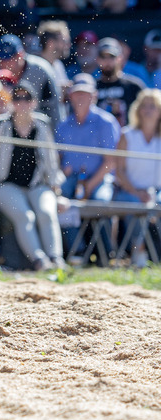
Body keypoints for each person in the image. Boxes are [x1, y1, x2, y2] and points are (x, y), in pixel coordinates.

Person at [0, 81, 66, 271]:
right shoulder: (1, 125)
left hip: (37, 185)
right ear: (11, 102)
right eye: (17, 98)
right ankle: (40, 261)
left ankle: (57, 260)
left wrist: (57, 192)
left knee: (47, 212)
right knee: (25, 216)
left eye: (26, 98)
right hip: (6, 185)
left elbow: (51, 161)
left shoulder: (42, 125)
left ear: (34, 102)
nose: (22, 102)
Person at [54, 74, 119, 252]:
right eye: (77, 94)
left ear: (94, 96)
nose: (81, 98)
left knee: (101, 201)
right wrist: (61, 173)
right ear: (71, 96)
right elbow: (58, 159)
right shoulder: (63, 125)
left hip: (99, 178)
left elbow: (111, 162)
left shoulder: (106, 122)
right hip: (72, 178)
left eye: (85, 94)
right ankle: (75, 252)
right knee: (60, 200)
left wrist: (90, 184)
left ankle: (105, 253)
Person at [112, 89, 161, 267]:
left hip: (156, 191)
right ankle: (138, 252)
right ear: (138, 110)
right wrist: (138, 192)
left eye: (153, 106)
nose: (148, 110)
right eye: (145, 106)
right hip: (128, 190)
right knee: (137, 204)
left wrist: (151, 194)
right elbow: (119, 171)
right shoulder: (127, 135)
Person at [95, 37, 145, 127]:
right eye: (103, 57)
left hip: (128, 138)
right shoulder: (92, 88)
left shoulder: (134, 86)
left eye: (111, 56)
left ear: (120, 58)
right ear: (97, 59)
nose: (107, 61)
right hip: (98, 138)